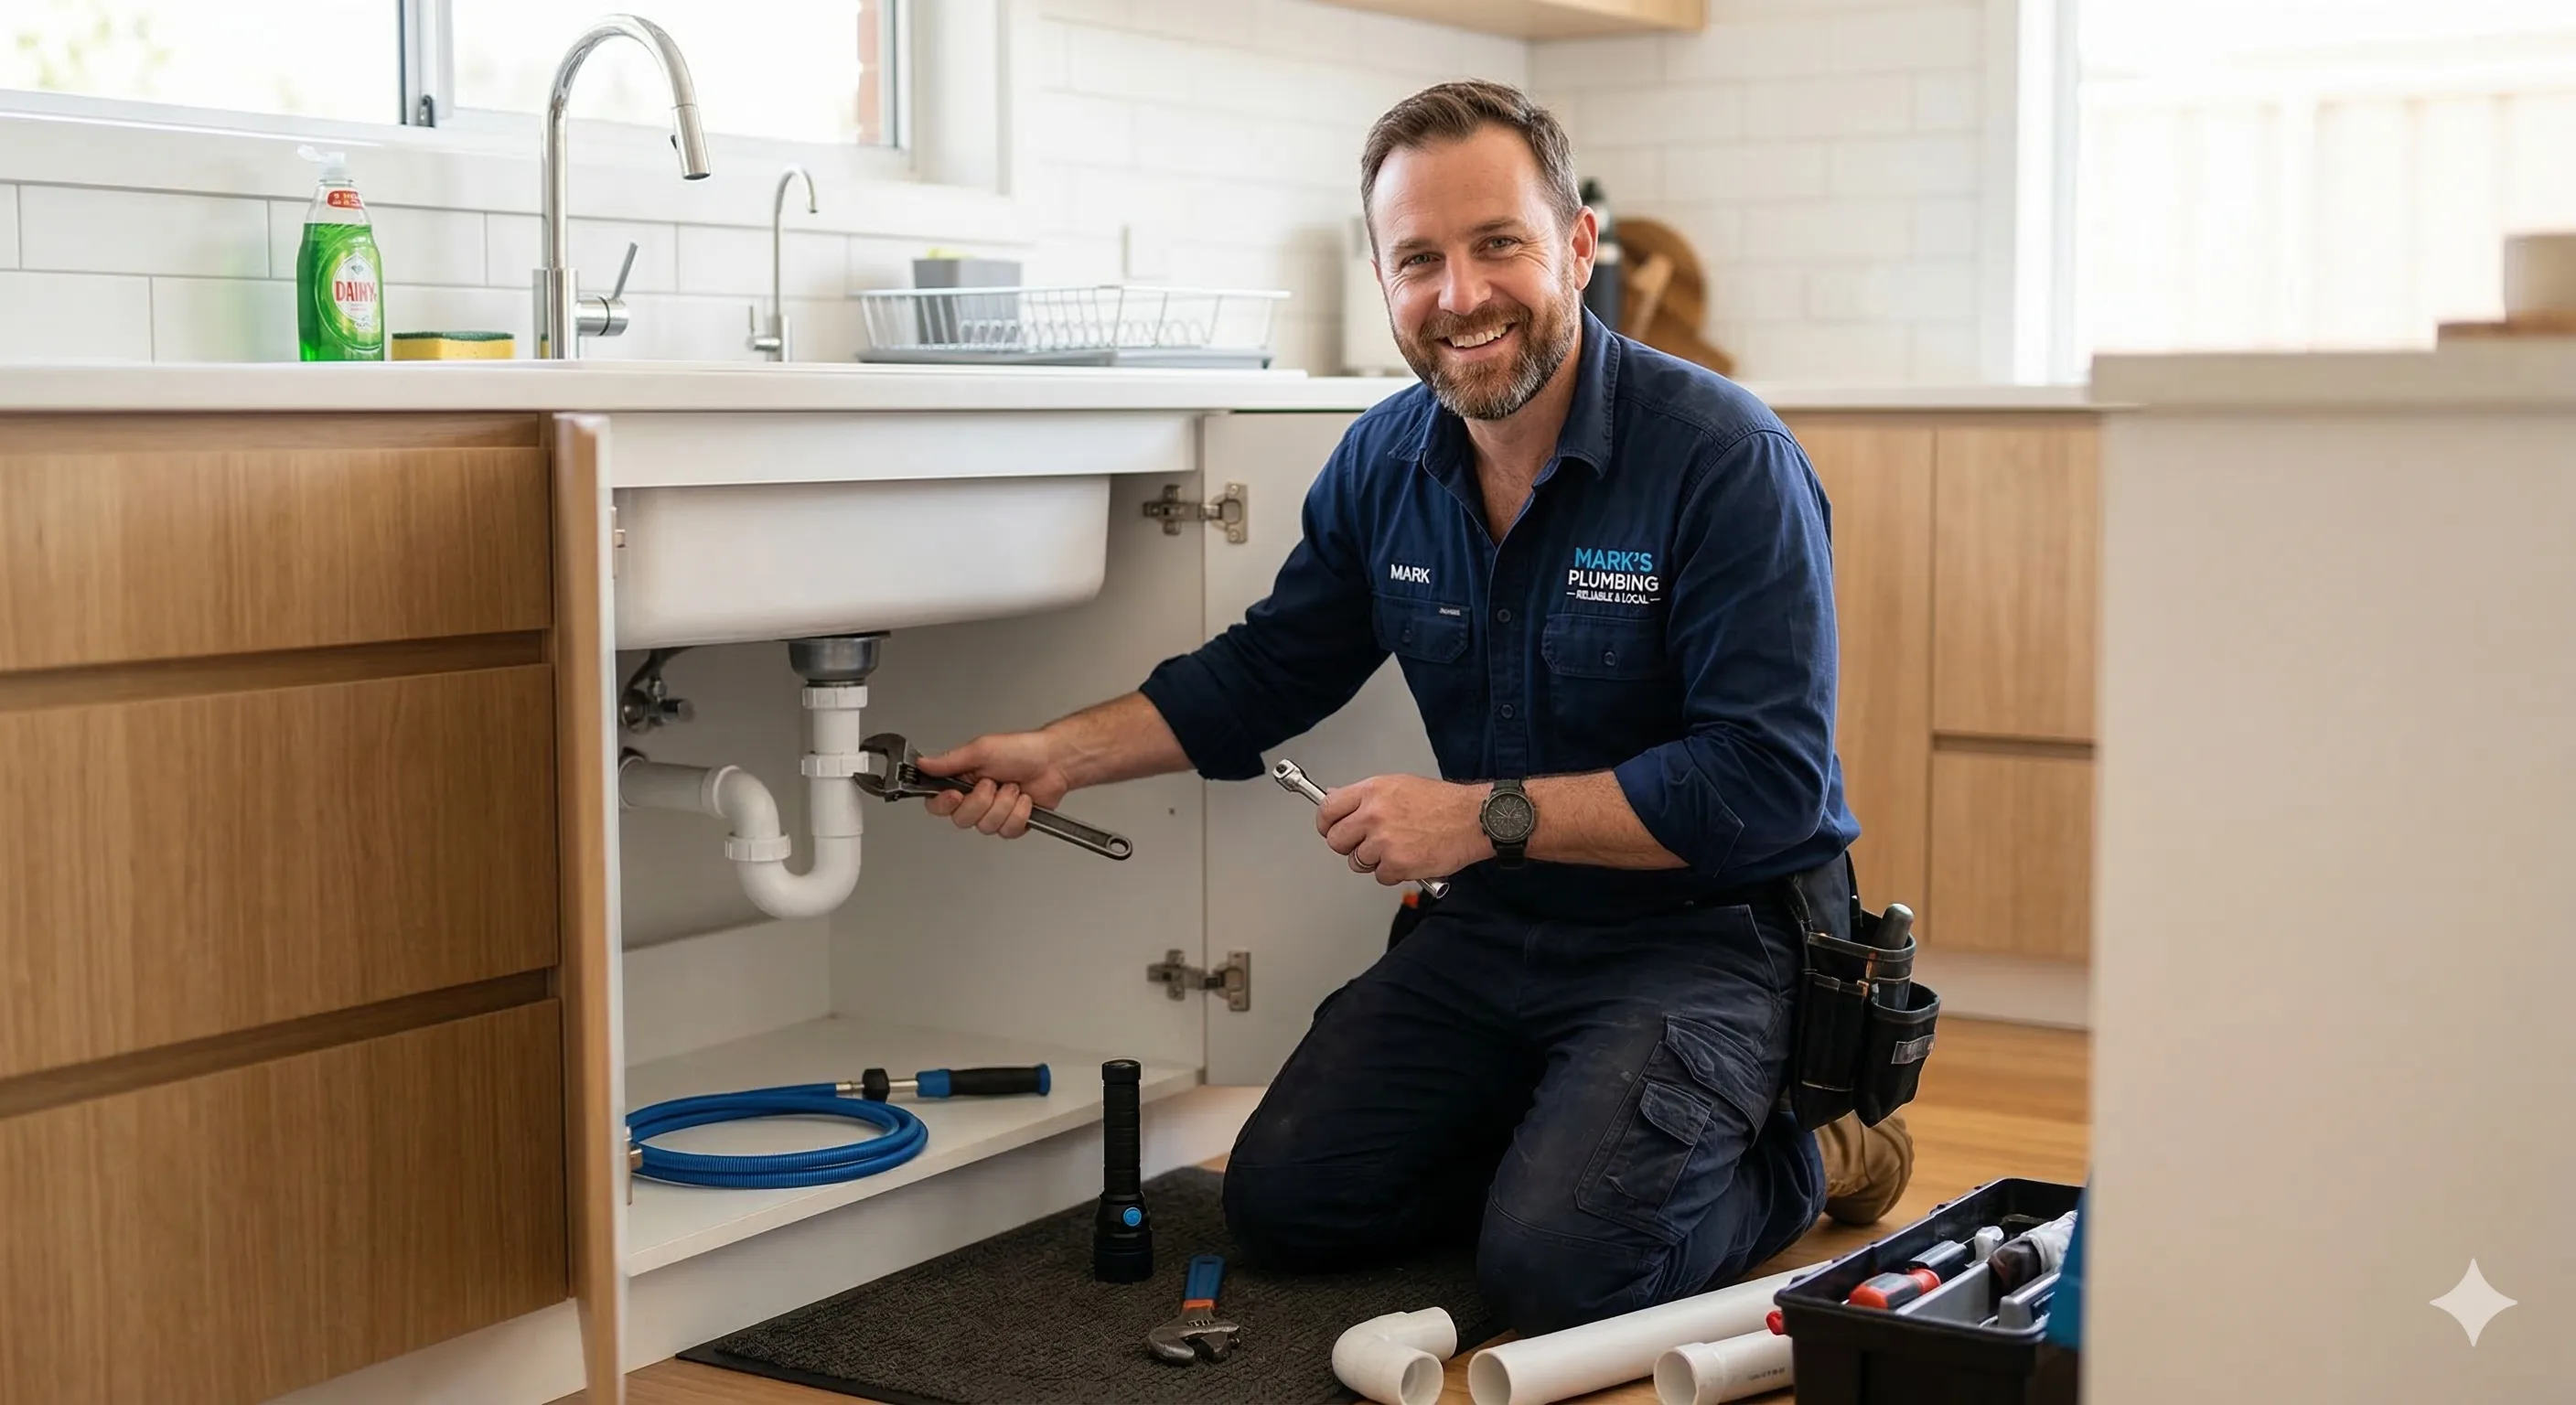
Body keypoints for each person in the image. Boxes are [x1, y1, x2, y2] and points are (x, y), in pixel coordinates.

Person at [916, 79, 1911, 1335]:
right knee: (1282, 1208)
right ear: (1385, 281)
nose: (1460, 296)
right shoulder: (1384, 463)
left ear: (1578, 248)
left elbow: (1765, 785)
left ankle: (1813, 1155)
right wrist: (1057, 754)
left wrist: (1478, 818)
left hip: (1712, 934)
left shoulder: (1723, 459)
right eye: (1418, 260)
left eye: (1499, 244)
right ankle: (1583, 1140)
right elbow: (1266, 672)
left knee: (1559, 1278)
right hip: (1503, 930)